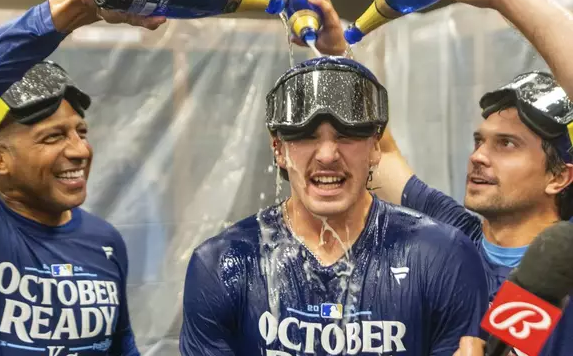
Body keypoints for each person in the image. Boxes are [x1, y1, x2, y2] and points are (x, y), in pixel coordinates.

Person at [179, 54, 489, 355]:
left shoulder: (443, 258)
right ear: (279, 150)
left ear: (375, 148)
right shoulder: (222, 265)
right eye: (307, 136)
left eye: (346, 136)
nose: (327, 155)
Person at [0, 0, 166, 354]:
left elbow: (120, 345)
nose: (79, 150)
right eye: (53, 137)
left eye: (81, 132)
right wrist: (73, 7)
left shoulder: (103, 241)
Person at [368, 0, 573, 355]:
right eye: (480, 141)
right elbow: (379, 158)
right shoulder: (456, 238)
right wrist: (336, 55)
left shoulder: (565, 266)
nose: (478, 156)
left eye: (507, 144)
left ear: (559, 176)